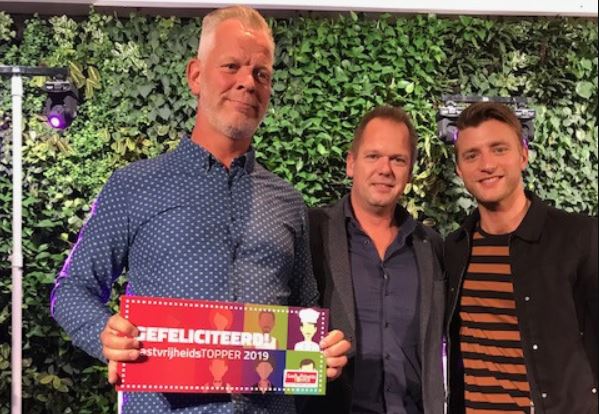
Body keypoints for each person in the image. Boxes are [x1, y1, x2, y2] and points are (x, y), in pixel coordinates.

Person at [50, 6, 349, 413]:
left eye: (261, 73)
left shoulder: (288, 201)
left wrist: (322, 348)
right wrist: (104, 333)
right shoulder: (134, 186)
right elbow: (71, 288)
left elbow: (305, 307)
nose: (247, 82)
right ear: (195, 75)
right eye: (231, 66)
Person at [444, 102, 598, 413]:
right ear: (459, 170)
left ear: (523, 155)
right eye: (471, 155)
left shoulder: (580, 238)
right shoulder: (455, 249)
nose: (487, 164)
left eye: (499, 149)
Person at [306, 106, 446, 413]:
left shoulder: (430, 247)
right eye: (373, 156)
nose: (385, 169)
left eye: (398, 159)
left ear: (409, 173)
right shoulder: (310, 232)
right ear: (351, 163)